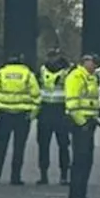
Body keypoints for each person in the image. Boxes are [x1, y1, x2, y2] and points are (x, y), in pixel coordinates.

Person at [0, 53, 41, 185]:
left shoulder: (1, 73)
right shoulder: (28, 74)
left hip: (4, 115)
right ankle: (15, 177)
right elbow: (36, 97)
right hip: (22, 115)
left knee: (0, 147)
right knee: (19, 147)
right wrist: (32, 115)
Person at [64, 53, 100, 198]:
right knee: (80, 161)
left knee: (86, 161)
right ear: (85, 62)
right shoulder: (76, 76)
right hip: (80, 125)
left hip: (89, 124)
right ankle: (75, 197)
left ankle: (82, 195)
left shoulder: (91, 77)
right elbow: (72, 104)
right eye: (93, 62)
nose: (95, 65)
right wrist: (83, 123)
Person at [36, 47, 72, 186]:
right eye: (50, 56)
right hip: (45, 111)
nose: (51, 59)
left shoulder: (67, 72)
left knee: (63, 145)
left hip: (61, 111)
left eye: (54, 56)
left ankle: (64, 176)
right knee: (43, 145)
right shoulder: (42, 70)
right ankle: (43, 175)